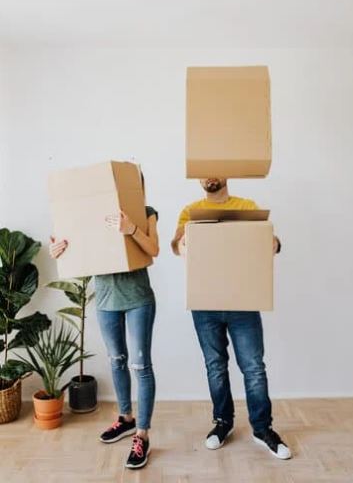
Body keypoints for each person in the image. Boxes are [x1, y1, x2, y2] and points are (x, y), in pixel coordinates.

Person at [171, 177, 291, 460]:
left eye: (216, 169)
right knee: (215, 366)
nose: (210, 176)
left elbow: (270, 243)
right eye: (204, 171)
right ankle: (223, 422)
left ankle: (262, 429)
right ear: (198, 177)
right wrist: (183, 243)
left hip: (243, 302)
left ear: (227, 172)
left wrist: (272, 242)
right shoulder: (190, 211)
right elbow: (176, 246)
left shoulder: (246, 207)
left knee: (253, 367)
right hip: (205, 303)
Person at [50, 172, 159, 470]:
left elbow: (154, 250)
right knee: (117, 361)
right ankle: (125, 419)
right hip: (107, 302)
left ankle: (142, 434)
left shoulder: (147, 214)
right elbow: (78, 253)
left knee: (141, 366)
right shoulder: (91, 218)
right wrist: (60, 251)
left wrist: (131, 228)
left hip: (138, 300)